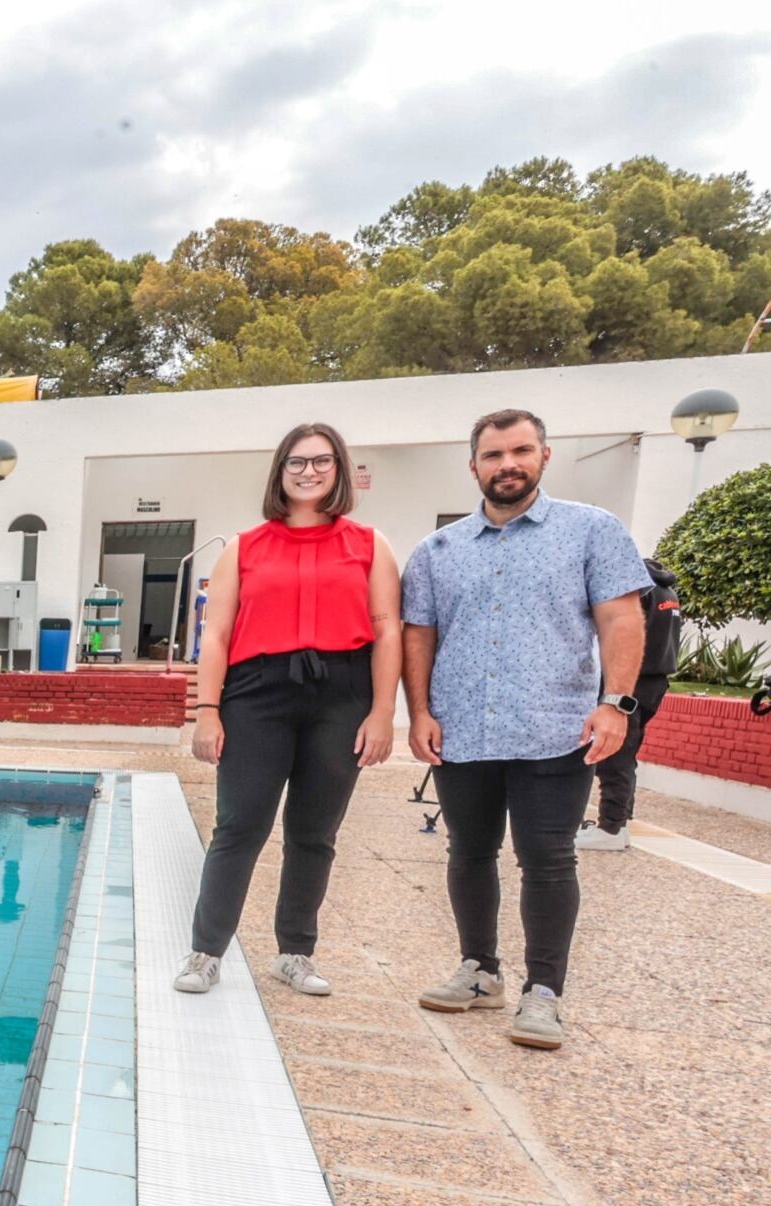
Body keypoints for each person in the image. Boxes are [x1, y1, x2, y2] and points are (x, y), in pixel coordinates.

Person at [403, 409, 649, 1050]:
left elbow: (621, 620)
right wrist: (421, 712)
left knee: (547, 859)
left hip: (554, 728)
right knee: (469, 851)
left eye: (519, 451)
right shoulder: (438, 551)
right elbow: (420, 637)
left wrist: (615, 703)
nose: (506, 464)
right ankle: (481, 971)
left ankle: (544, 993)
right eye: (493, 454)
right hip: (463, 729)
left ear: (544, 456)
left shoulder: (592, 531)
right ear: (474, 466)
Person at [178, 422, 402, 998]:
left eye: (322, 462)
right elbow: (217, 632)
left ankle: (295, 952)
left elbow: (386, 630)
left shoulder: (370, 545)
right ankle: (206, 951)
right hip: (257, 693)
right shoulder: (245, 547)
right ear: (280, 472)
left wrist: (383, 713)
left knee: (314, 832)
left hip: (341, 692)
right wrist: (209, 709)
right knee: (239, 825)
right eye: (297, 463)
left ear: (340, 470)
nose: (309, 472)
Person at [578, 558, 682, 851]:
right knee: (627, 754)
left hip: (632, 683)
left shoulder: (638, 590)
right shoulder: (667, 591)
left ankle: (610, 828)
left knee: (615, 757)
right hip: (656, 681)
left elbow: (621, 634)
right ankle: (621, 823)